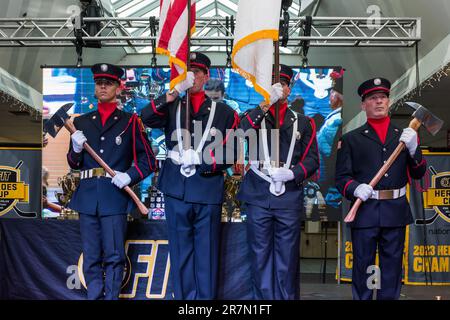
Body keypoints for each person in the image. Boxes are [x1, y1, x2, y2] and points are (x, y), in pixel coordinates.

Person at [141, 52, 239, 299]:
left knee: (206, 255)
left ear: (206, 77)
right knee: (180, 252)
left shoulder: (225, 113)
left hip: (206, 189)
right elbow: (145, 117)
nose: (192, 76)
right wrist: (173, 93)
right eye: (189, 71)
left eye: (197, 72)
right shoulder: (172, 105)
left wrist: (203, 159)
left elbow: (232, 150)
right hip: (176, 189)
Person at [67, 63, 156, 300]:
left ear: (118, 87)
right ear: (95, 88)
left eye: (109, 83)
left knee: (115, 256)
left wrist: (129, 175)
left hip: (114, 198)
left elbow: (148, 160)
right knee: (92, 256)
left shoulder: (130, 122)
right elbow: (73, 164)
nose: (103, 86)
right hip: (87, 198)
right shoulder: (81, 122)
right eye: (99, 83)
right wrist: (76, 148)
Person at [335, 77, 426, 300]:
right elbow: (341, 178)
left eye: (383, 97)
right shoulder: (351, 140)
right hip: (365, 211)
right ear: (363, 105)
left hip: (395, 210)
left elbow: (419, 173)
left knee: (392, 269)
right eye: (373, 98)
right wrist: (355, 189)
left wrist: (414, 150)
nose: (379, 102)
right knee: (364, 267)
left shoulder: (404, 137)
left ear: (389, 101)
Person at [237, 64, 320, 300]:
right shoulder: (254, 116)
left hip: (288, 195)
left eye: (283, 84)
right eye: (274, 84)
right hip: (257, 195)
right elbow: (239, 131)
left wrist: (293, 174)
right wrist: (265, 104)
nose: (279, 88)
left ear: (289, 88)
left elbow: (312, 159)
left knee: (287, 258)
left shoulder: (304, 122)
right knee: (259, 256)